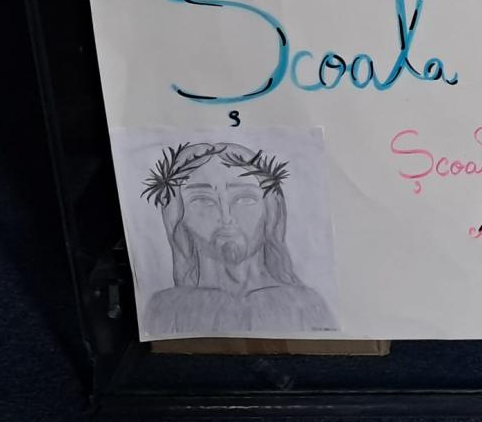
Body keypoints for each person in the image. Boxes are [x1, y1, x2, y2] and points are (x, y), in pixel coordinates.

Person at [142, 142, 337, 335]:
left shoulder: (306, 305)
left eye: (245, 198)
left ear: (271, 211)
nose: (226, 217)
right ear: (178, 217)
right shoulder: (164, 309)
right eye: (203, 200)